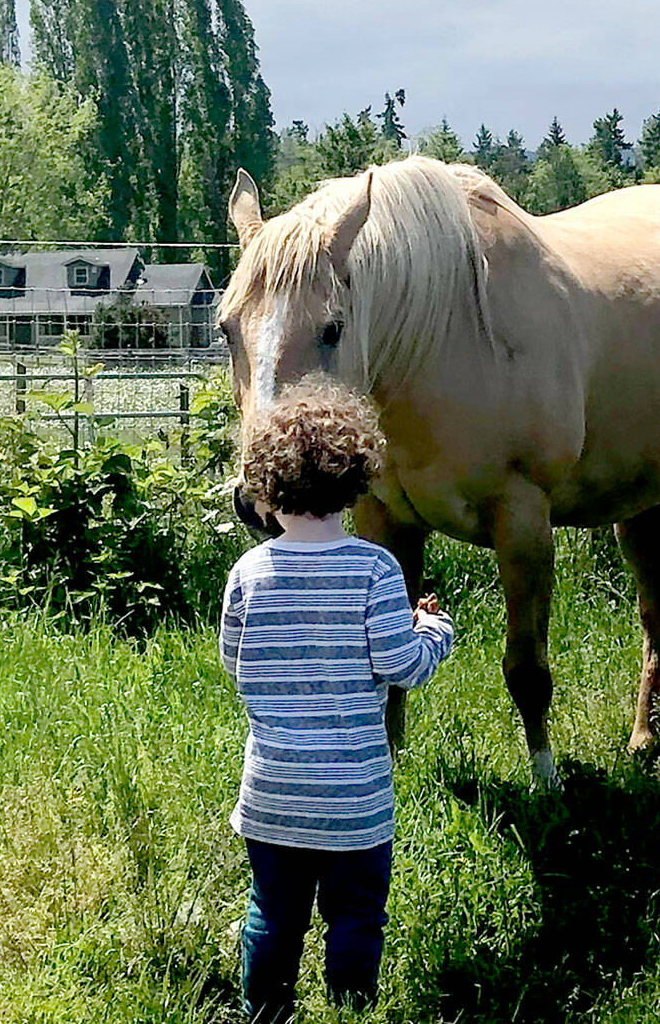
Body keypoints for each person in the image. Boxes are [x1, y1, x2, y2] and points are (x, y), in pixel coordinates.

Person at [220, 379, 454, 1022]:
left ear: (266, 485)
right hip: (355, 797)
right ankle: (352, 1008)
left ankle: (264, 1011)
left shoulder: (249, 574)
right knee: (356, 916)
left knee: (272, 913)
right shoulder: (375, 570)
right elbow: (403, 666)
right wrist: (433, 630)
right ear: (356, 477)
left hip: (272, 793)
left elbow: (239, 669)